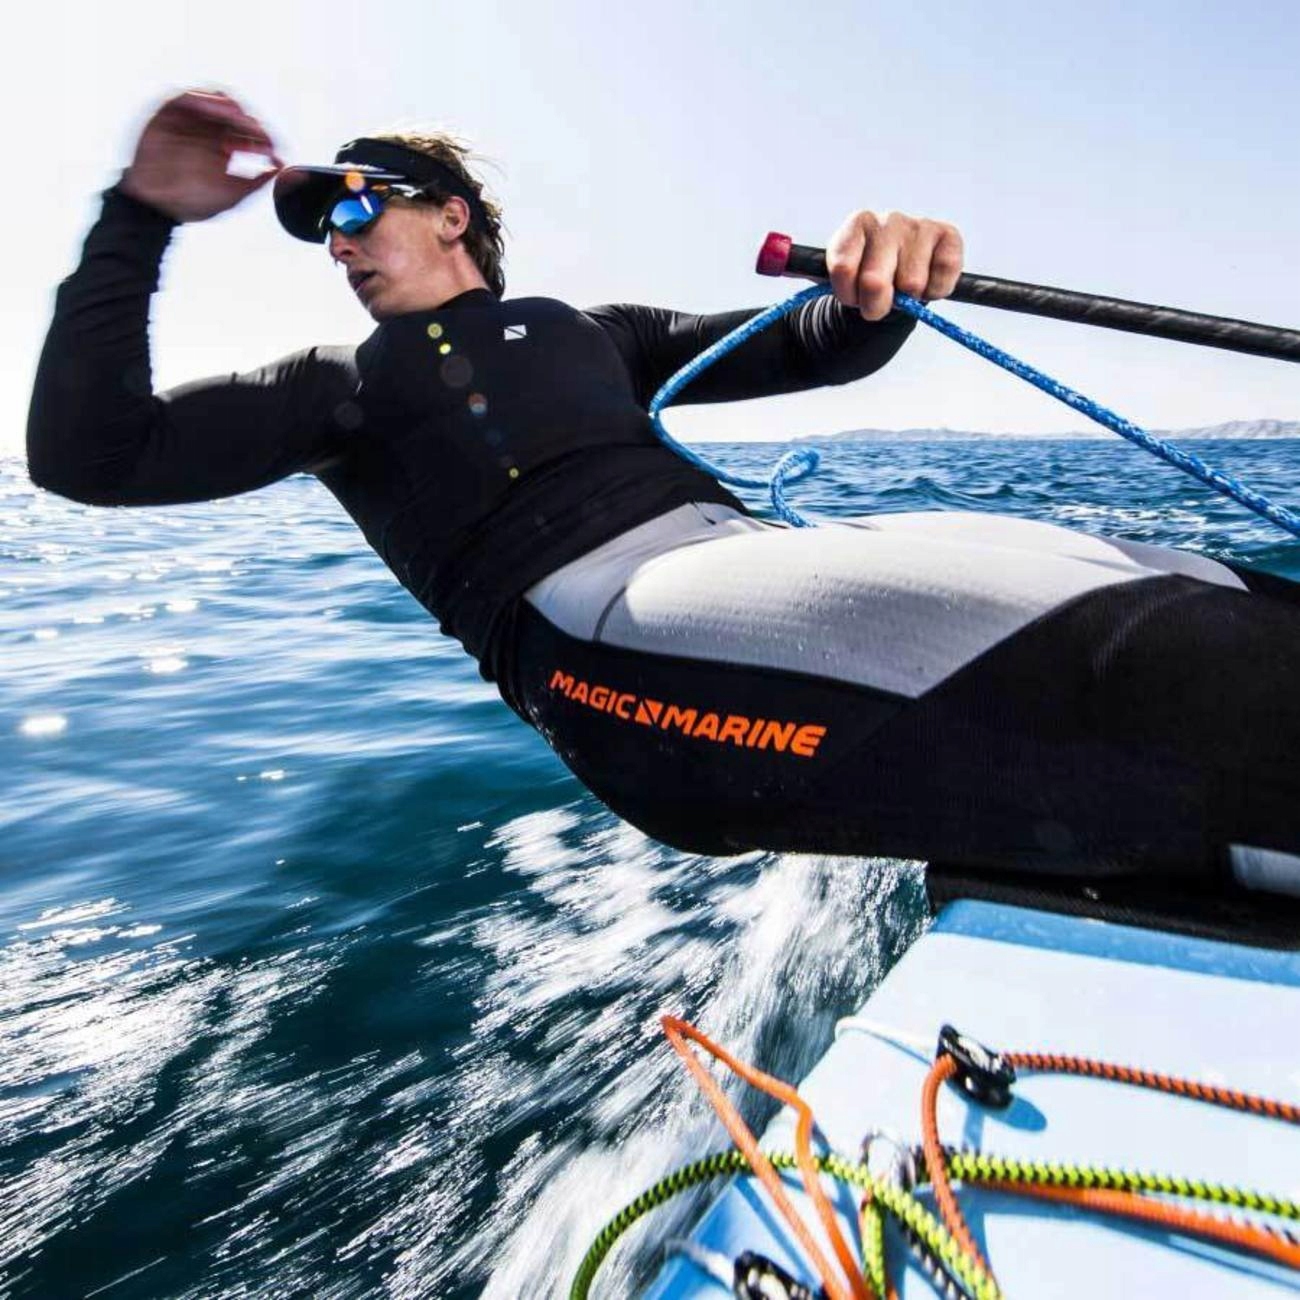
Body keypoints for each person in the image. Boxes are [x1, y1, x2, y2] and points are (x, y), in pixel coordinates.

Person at [28, 90, 1300, 897]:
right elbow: (92, 454)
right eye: (320, 228)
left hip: (747, 569)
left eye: (356, 204)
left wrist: (875, 283)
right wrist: (138, 217)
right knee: (1174, 656)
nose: (340, 238)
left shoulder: (594, 330)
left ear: (451, 216)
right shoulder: (331, 385)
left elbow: (808, 344)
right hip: (614, 635)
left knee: (1210, 588)